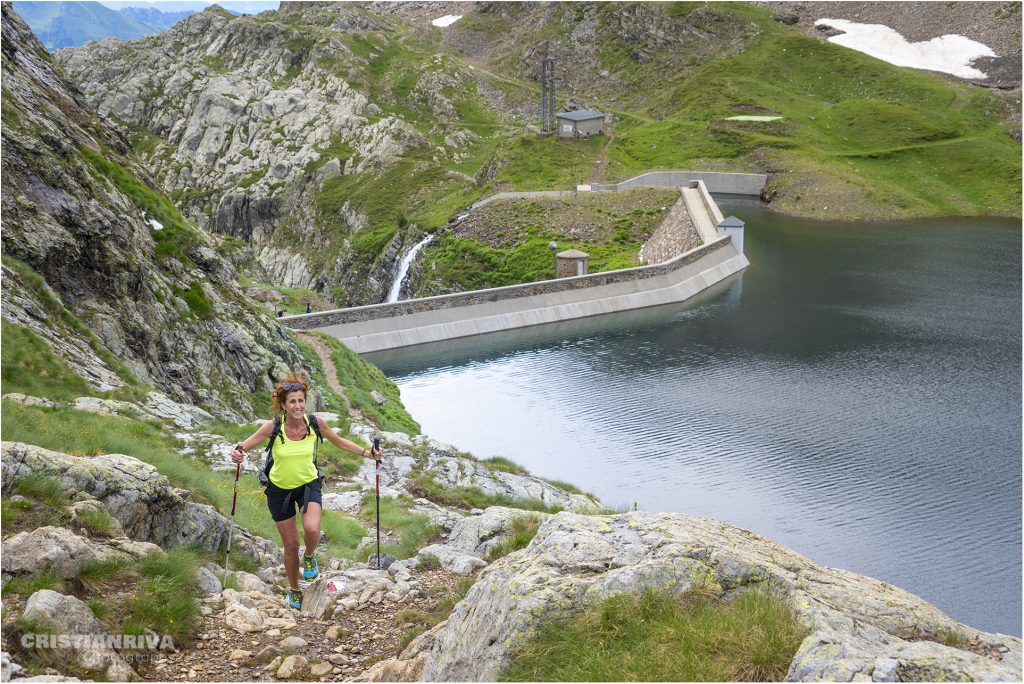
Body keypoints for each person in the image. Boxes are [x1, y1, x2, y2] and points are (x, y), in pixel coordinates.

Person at [231, 372, 381, 609]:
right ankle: (294, 590)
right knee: (290, 545)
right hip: (278, 490)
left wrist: (367, 454)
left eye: (301, 400)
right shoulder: (273, 427)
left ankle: (310, 557)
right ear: (283, 405)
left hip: (308, 485)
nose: (298, 405)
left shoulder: (315, 424)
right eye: (292, 401)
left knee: (312, 530)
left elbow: (339, 441)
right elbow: (244, 446)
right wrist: (237, 453)